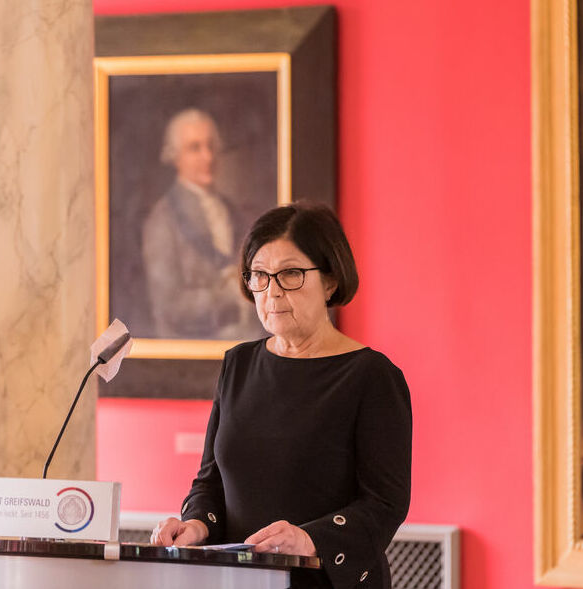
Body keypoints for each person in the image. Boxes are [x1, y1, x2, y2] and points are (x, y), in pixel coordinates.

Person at [150, 203, 412, 588]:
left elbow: (385, 505)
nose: (271, 291)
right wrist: (194, 525)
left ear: (330, 280)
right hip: (238, 580)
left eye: (290, 273)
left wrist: (309, 539)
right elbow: (209, 482)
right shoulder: (237, 365)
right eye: (259, 275)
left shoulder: (372, 376)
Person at [141, 108, 265, 340]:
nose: (207, 157)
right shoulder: (163, 220)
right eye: (194, 148)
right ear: (174, 156)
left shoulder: (231, 210)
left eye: (211, 146)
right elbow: (168, 304)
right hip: (191, 348)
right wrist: (225, 297)